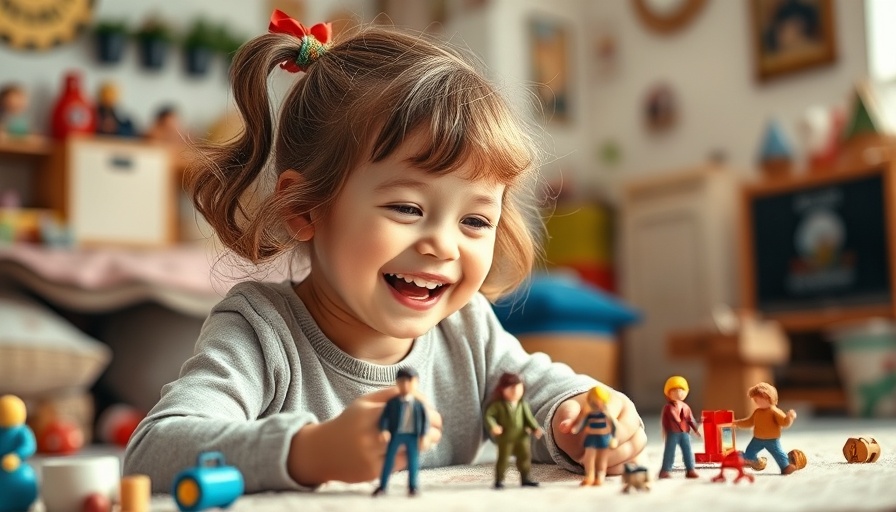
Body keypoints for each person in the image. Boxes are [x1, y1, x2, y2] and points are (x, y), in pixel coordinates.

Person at [123, 9, 646, 493]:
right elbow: (154, 452)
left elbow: (541, 390)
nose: (443, 244)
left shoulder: (468, 328)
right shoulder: (260, 330)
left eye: (475, 220)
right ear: (304, 209)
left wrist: (578, 414)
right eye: (407, 209)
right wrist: (311, 452)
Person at [373, 367, 428, 497]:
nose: (406, 385)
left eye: (410, 381)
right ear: (397, 383)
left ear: (416, 383)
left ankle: (413, 486)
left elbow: (424, 420)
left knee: (413, 461)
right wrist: (384, 430)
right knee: (389, 460)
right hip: (396, 434)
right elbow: (385, 417)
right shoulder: (392, 403)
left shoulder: (419, 404)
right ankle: (382, 486)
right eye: (402, 381)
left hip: (412, 436)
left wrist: (423, 436)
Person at [484, 372, 543, 489]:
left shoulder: (523, 405)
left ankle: (525, 478)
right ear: (502, 389)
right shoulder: (498, 405)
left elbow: (529, 419)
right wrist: (493, 426)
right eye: (511, 388)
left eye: (518, 387)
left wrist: (535, 428)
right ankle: (499, 480)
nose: (515, 391)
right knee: (503, 459)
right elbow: (489, 416)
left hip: (521, 437)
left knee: (524, 458)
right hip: (505, 438)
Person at [734, 382, 799, 475]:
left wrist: (790, 417)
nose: (757, 402)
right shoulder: (757, 412)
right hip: (757, 439)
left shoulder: (774, 411)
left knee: (778, 453)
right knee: (750, 451)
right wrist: (737, 423)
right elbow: (749, 422)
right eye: (755, 400)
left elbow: (784, 422)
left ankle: (786, 467)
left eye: (759, 399)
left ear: (769, 398)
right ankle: (752, 461)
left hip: (772, 440)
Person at [570, 386, 617, 486]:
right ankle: (589, 476)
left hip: (604, 437)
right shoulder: (590, 415)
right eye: (594, 400)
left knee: (602, 458)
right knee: (589, 457)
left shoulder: (606, 414)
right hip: (591, 438)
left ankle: (600, 476)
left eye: (599, 400)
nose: (596, 403)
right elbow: (583, 423)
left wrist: (614, 438)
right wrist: (576, 429)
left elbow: (614, 426)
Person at [659, 375, 700, 479]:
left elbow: (690, 419)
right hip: (673, 432)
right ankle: (665, 470)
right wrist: (665, 431)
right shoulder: (668, 407)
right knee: (670, 451)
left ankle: (690, 469)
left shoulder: (686, 407)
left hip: (685, 432)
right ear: (668, 393)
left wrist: (696, 430)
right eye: (674, 391)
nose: (678, 393)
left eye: (681, 391)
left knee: (688, 451)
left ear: (686, 392)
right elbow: (671, 418)